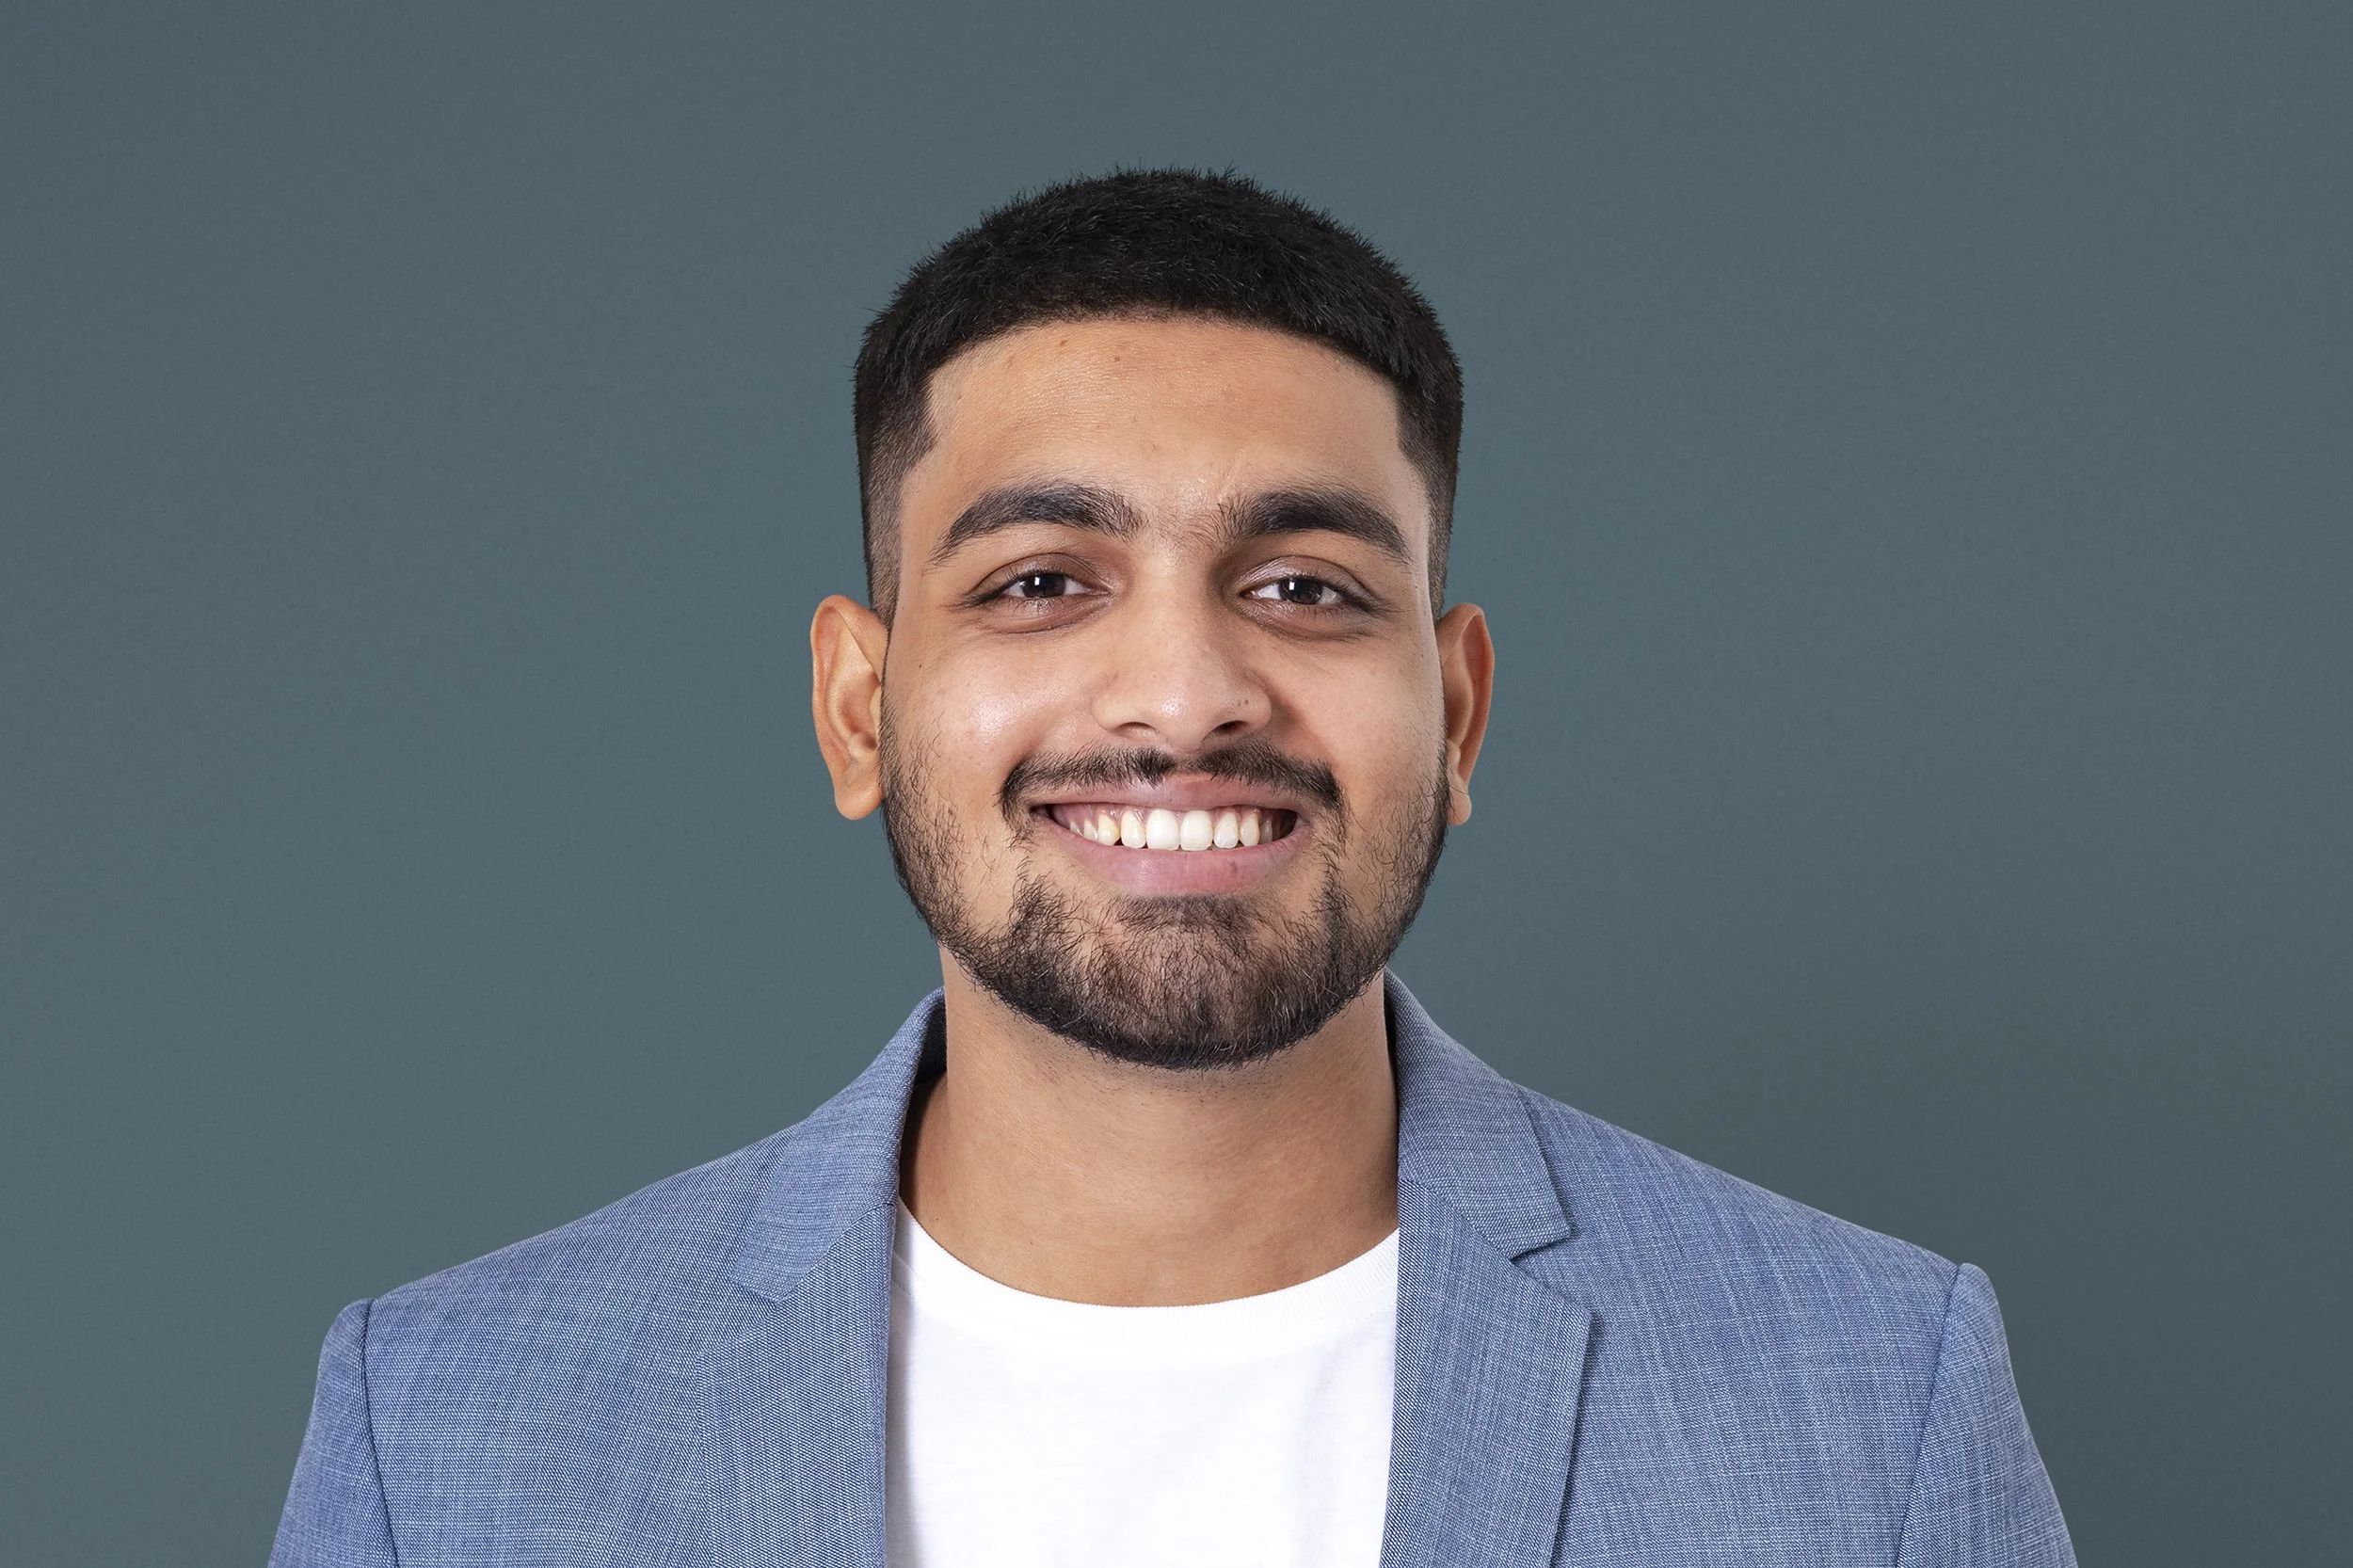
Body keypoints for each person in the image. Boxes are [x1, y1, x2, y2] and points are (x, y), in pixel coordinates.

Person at [270, 169, 2073, 1567]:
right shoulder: (439, 1434)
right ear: (857, 704)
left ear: (1453, 713)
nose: (1188, 694)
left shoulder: (1868, 1393)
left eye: (1303, 586)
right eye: (1042, 579)